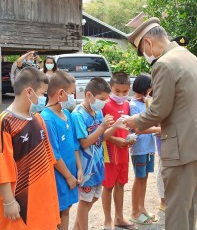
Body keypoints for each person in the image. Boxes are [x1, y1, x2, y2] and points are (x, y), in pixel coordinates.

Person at [124, 17, 197, 230]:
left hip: (182, 146)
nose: (145, 56)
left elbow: (159, 110)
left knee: (177, 209)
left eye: (142, 50)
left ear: (147, 42)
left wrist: (134, 121)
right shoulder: (190, 57)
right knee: (189, 206)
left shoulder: (164, 64)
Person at [0, 67, 60, 229]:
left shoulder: (38, 119)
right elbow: (2, 166)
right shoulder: (5, 122)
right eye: (42, 94)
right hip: (21, 202)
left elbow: (49, 160)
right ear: (29, 92)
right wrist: (9, 201)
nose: (43, 99)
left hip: (43, 198)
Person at [71, 77, 125, 230]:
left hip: (98, 166)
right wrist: (102, 127)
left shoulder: (97, 111)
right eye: (102, 99)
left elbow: (101, 138)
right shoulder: (78, 115)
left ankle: (77, 227)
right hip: (86, 168)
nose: (104, 103)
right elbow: (85, 142)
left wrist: (114, 127)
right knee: (85, 201)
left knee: (93, 197)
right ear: (89, 95)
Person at [40, 71, 83, 230]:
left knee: (66, 209)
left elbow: (74, 144)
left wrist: (79, 168)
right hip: (59, 177)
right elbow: (54, 154)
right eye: (71, 93)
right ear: (60, 93)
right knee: (58, 212)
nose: (73, 97)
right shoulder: (47, 118)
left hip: (71, 173)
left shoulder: (66, 113)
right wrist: (68, 176)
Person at [102, 72, 137, 230]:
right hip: (109, 153)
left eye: (124, 92)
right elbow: (100, 133)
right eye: (117, 91)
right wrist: (117, 140)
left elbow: (128, 127)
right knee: (108, 186)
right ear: (110, 88)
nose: (121, 95)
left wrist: (130, 138)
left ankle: (119, 217)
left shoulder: (127, 105)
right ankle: (108, 220)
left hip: (123, 152)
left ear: (129, 89)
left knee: (121, 184)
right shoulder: (104, 105)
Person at [129, 73, 161, 225]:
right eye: (150, 87)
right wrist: (158, 130)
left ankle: (142, 208)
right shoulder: (133, 105)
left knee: (145, 178)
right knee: (139, 178)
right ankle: (135, 211)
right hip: (139, 147)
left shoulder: (146, 103)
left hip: (148, 147)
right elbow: (137, 128)